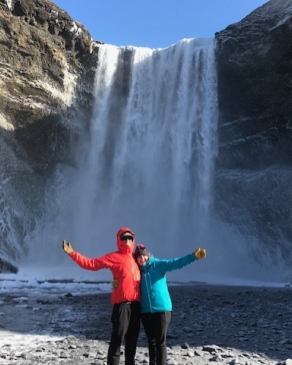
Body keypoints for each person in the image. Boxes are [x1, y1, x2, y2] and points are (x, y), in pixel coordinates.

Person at [62, 227, 141, 365]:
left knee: (132, 343)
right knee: (117, 341)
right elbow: (92, 264)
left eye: (130, 238)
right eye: (124, 238)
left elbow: (154, 267)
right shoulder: (114, 257)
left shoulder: (136, 258)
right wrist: (72, 253)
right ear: (119, 240)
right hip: (122, 306)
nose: (127, 241)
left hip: (136, 306)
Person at [133, 244, 206, 365]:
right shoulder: (136, 271)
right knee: (151, 341)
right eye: (139, 257)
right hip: (145, 311)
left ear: (148, 255)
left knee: (160, 341)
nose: (142, 259)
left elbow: (176, 263)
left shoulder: (158, 265)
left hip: (162, 309)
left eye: (143, 256)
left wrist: (193, 256)